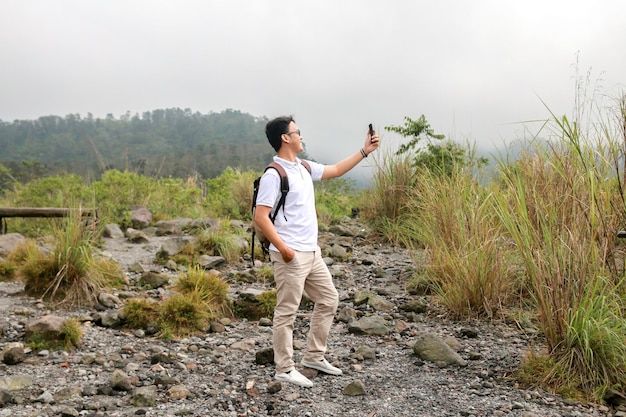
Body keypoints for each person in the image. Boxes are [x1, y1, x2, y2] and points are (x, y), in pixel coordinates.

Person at [254, 115, 379, 388]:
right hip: (291, 254)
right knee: (287, 311)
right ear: (285, 138)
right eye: (297, 132)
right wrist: (285, 249)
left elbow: (335, 170)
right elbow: (260, 217)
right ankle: (284, 368)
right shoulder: (274, 174)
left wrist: (364, 151)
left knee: (329, 299)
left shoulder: (303, 167)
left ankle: (313, 357)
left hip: (312, 252)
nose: (301, 135)